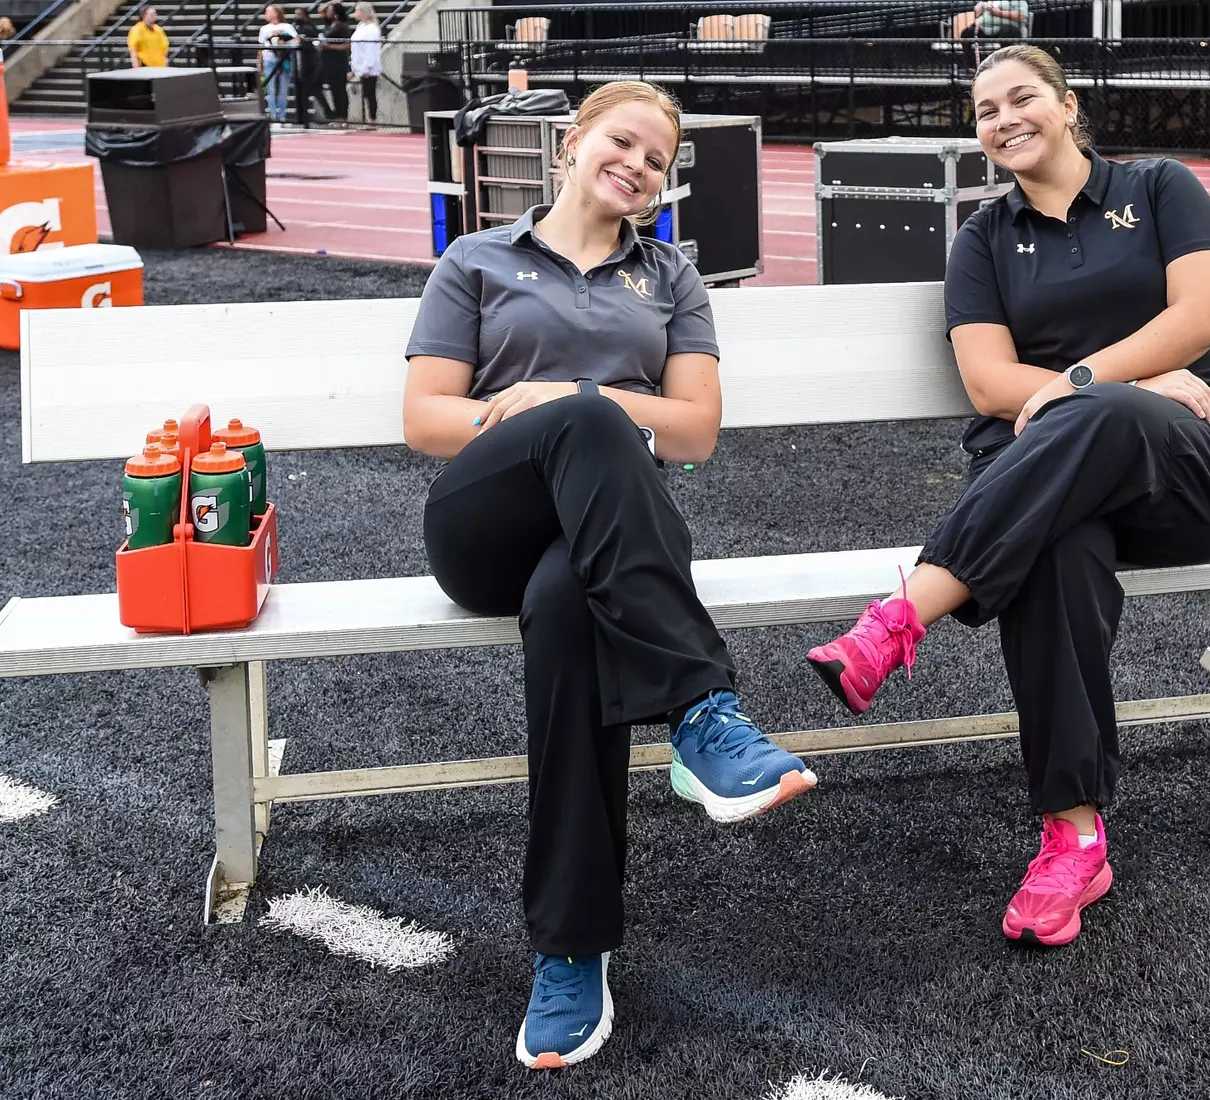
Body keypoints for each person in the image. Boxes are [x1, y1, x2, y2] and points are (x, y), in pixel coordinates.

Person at [805, 44, 1210, 949]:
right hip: (1047, 485)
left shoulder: (1161, 186)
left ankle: (904, 616)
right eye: (984, 110)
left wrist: (1094, 385)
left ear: (1066, 105)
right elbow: (987, 384)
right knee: (1054, 551)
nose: (1003, 118)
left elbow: (1199, 319)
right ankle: (1074, 835)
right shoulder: (981, 239)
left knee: (1103, 420)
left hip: (1190, 468)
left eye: (1021, 98)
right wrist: (1106, 394)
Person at [403, 80, 817, 1070]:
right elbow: (425, 418)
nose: (635, 166)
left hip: (596, 556)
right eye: (619, 142)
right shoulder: (476, 259)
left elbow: (697, 429)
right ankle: (701, 712)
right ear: (573, 141)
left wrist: (574, 403)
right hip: (482, 527)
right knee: (592, 416)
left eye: (655, 159)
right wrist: (560, 410)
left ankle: (569, 944)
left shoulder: (670, 276)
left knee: (568, 609)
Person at [258, 4, 299, 122]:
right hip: (269, 60)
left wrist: (284, 42)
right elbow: (261, 46)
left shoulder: (287, 26)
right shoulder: (264, 29)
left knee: (283, 89)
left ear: (275, 13)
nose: (265, 14)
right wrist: (259, 62)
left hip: (284, 60)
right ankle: (273, 115)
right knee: (271, 89)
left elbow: (296, 40)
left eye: (268, 12)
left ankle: (282, 115)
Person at [316, 3, 353, 122]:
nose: (328, 12)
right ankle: (332, 113)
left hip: (338, 62)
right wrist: (331, 3)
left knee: (339, 90)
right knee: (316, 85)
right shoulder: (329, 25)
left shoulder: (341, 27)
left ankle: (342, 117)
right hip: (327, 62)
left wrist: (330, 46)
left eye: (331, 10)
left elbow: (347, 45)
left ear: (336, 14)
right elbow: (320, 10)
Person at [348, 3, 382, 125]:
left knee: (370, 93)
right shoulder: (361, 26)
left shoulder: (372, 28)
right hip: (359, 64)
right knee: (365, 94)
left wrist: (367, 67)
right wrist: (354, 66)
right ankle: (368, 118)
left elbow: (370, 49)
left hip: (369, 67)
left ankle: (372, 119)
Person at [962, 0, 1031, 39]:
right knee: (966, 33)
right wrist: (979, 9)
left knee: (1007, 32)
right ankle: (970, 64)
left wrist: (1000, 13)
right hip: (985, 28)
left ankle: (1003, 62)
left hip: (1007, 29)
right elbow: (977, 14)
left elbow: (1022, 16)